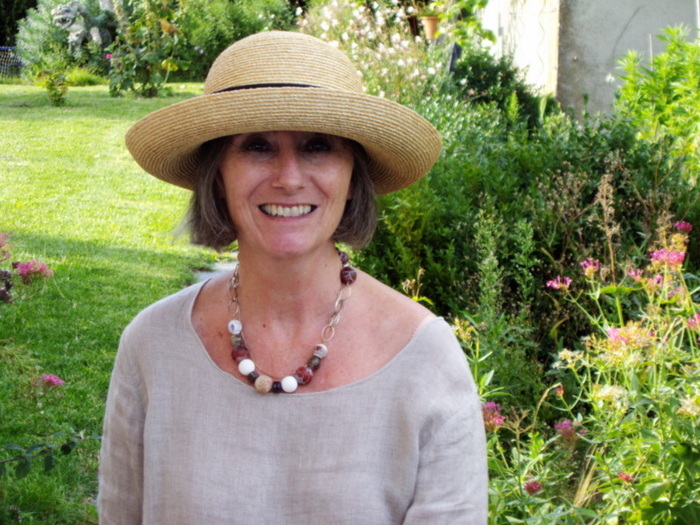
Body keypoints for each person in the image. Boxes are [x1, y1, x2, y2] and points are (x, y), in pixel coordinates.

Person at [98, 30, 488, 524]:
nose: (288, 178)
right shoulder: (153, 346)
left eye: (317, 147)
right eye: (258, 146)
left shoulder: (425, 361)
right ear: (218, 176)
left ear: (353, 177)